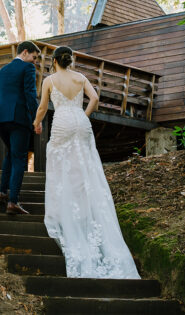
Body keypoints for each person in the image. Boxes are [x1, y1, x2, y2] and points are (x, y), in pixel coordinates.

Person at [33, 45, 140, 278]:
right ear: (69, 61)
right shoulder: (80, 78)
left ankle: (65, 213)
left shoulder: (49, 80)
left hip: (62, 121)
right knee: (85, 168)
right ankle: (85, 209)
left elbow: (43, 106)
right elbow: (95, 98)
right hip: (81, 122)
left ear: (54, 61)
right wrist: (84, 115)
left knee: (61, 166)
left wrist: (37, 122)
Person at [0, 40, 41, 214]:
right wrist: (37, 119)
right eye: (34, 57)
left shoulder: (1, 71)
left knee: (11, 153)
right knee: (19, 158)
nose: (35, 61)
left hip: (0, 119)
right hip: (18, 118)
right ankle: (13, 201)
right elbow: (30, 95)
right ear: (25, 52)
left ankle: (2, 192)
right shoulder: (27, 68)